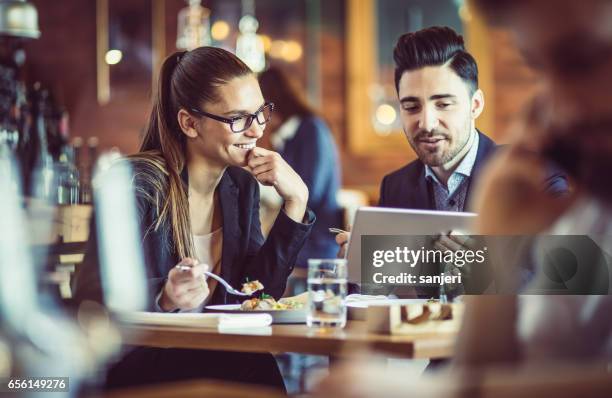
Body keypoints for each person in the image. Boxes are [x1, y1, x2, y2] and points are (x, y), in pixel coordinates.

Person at [73, 47, 315, 392]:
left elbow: (258, 295)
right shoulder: (134, 183)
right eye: (238, 118)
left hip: (216, 355)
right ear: (189, 123)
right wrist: (164, 296)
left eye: (260, 112)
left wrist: (296, 200)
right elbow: (91, 299)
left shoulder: (239, 186)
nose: (257, 130)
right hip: (145, 365)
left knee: (256, 362)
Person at [335, 26, 568, 255]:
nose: (426, 123)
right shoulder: (395, 187)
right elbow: (387, 287)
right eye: (411, 106)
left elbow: (572, 271)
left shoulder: (534, 174)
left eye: (443, 104)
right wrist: (360, 263)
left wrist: (489, 267)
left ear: (475, 105)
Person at [258, 66, 343, 271]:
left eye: (260, 108)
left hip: (317, 241)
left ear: (273, 101)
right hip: (301, 236)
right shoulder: (288, 136)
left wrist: (264, 190)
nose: (259, 118)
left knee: (263, 264)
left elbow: (311, 192)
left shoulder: (312, 129)